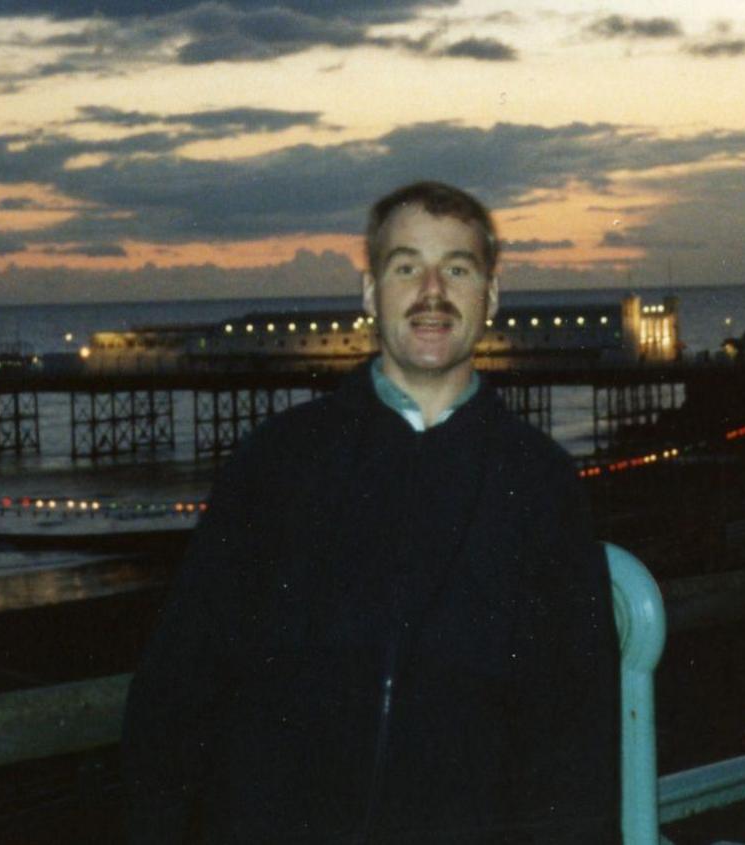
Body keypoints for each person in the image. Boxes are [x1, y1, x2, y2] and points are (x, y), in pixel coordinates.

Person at [122, 181, 621, 843]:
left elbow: (578, 734)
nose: (432, 291)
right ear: (370, 294)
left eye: (459, 269)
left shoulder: (541, 483)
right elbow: (176, 693)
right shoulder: (276, 463)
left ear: (491, 298)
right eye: (406, 266)